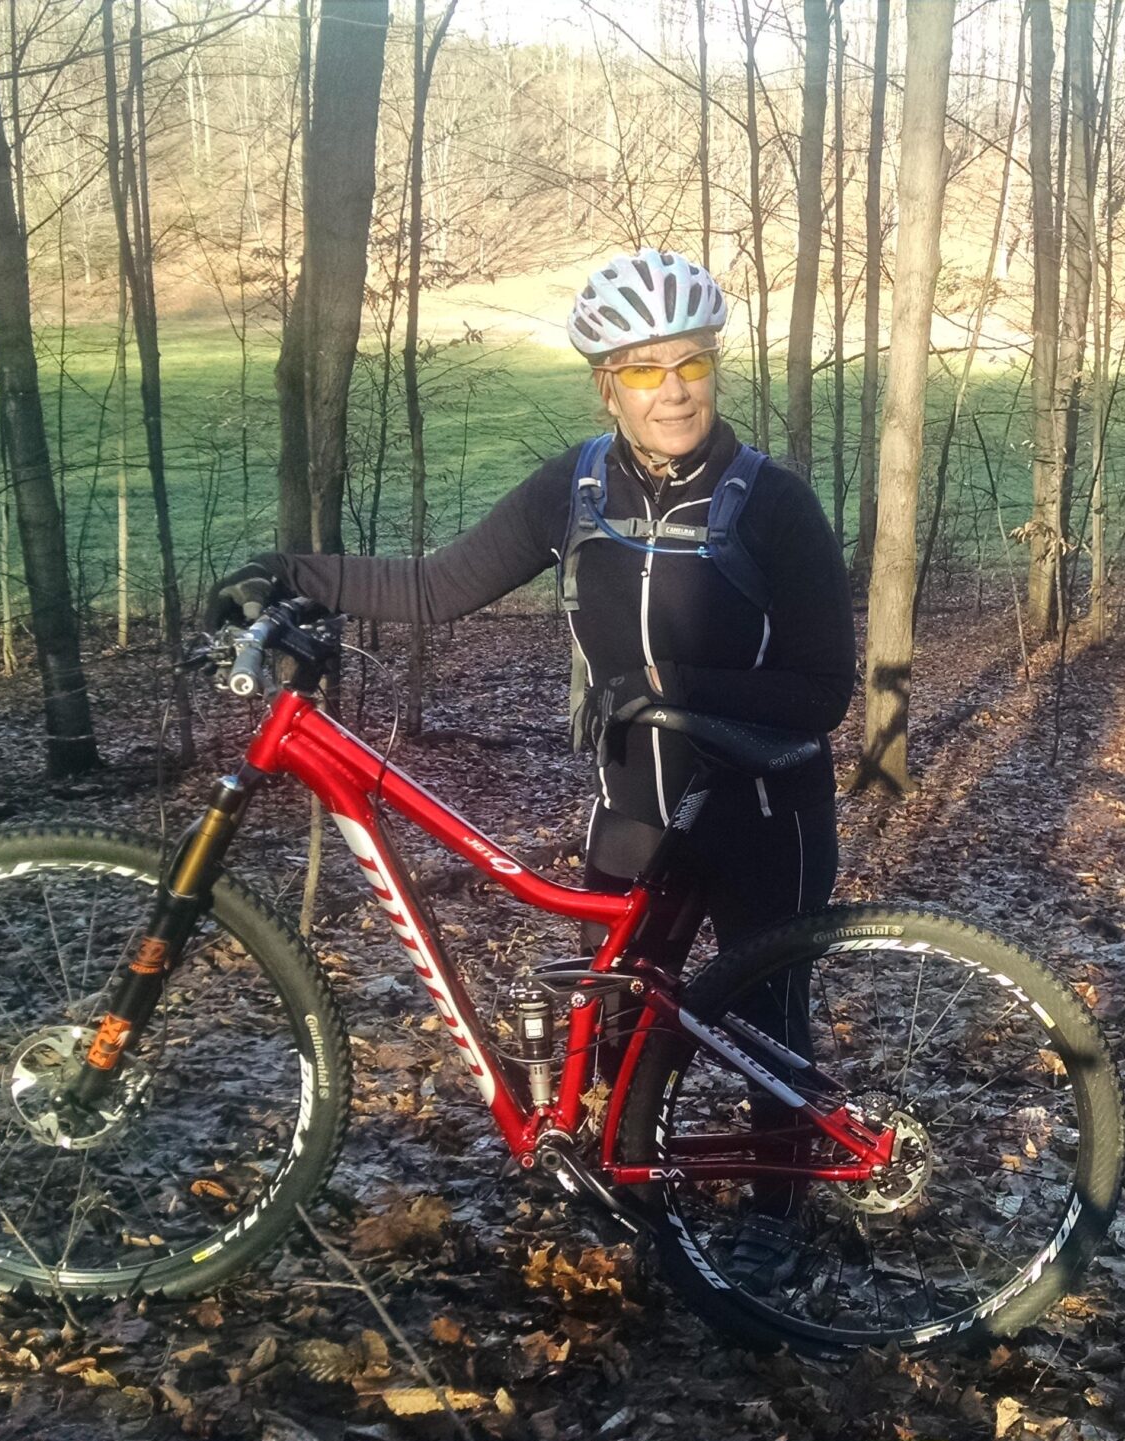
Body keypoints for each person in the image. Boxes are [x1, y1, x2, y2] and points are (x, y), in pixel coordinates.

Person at [203, 248, 852, 1286]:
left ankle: (779, 1205)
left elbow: (823, 689)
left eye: (690, 364)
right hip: (636, 802)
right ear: (607, 382)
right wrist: (293, 575)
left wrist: (673, 683)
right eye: (644, 370)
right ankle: (636, 1177)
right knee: (621, 1016)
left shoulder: (774, 504)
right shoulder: (576, 485)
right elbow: (437, 585)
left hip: (764, 804)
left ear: (715, 368)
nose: (672, 389)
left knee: (764, 1023)